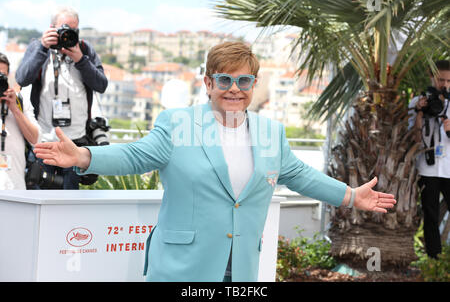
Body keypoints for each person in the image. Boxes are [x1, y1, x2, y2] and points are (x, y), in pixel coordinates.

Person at [34, 42, 396, 282]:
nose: (234, 88)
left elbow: (299, 174)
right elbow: (135, 155)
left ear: (254, 83)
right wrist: (83, 155)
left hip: (239, 268)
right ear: (208, 82)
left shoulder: (271, 132)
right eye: (224, 79)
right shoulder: (177, 123)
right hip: (183, 268)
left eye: (243, 80)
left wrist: (350, 195)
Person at [15, 7, 108, 190]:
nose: (68, 34)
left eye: (73, 30)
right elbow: (21, 79)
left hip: (75, 143)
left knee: (68, 207)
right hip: (44, 142)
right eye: (64, 29)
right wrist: (43, 47)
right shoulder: (39, 48)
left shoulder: (85, 50)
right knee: (40, 202)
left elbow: (101, 85)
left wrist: (81, 60)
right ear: (52, 28)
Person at [408, 60, 450, 259]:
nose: (445, 84)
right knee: (431, 216)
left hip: (449, 168)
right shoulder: (417, 102)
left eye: (449, 80)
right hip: (427, 168)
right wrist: (418, 113)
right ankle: (435, 259)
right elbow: (413, 139)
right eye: (441, 79)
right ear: (431, 77)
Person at [0, 53, 40, 189]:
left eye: (2, 75)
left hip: (15, 189)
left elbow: (35, 139)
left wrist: (15, 110)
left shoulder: (19, 102)